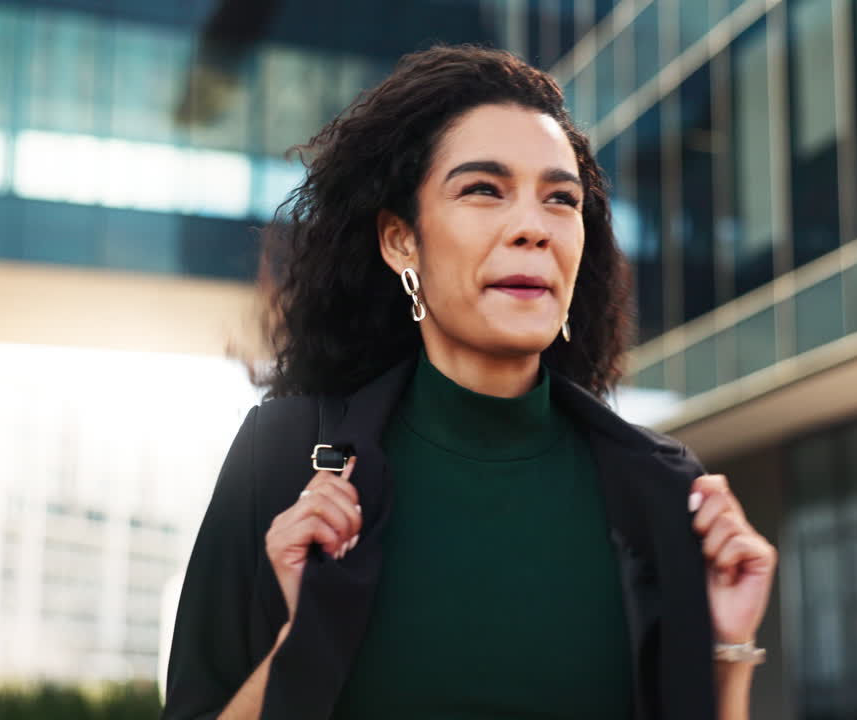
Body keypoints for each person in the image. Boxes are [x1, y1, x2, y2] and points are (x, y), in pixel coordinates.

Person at [162, 44, 777, 720]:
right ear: (401, 240)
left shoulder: (661, 488)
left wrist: (725, 645)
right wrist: (298, 647)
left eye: (560, 200)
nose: (531, 228)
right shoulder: (283, 458)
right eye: (483, 189)